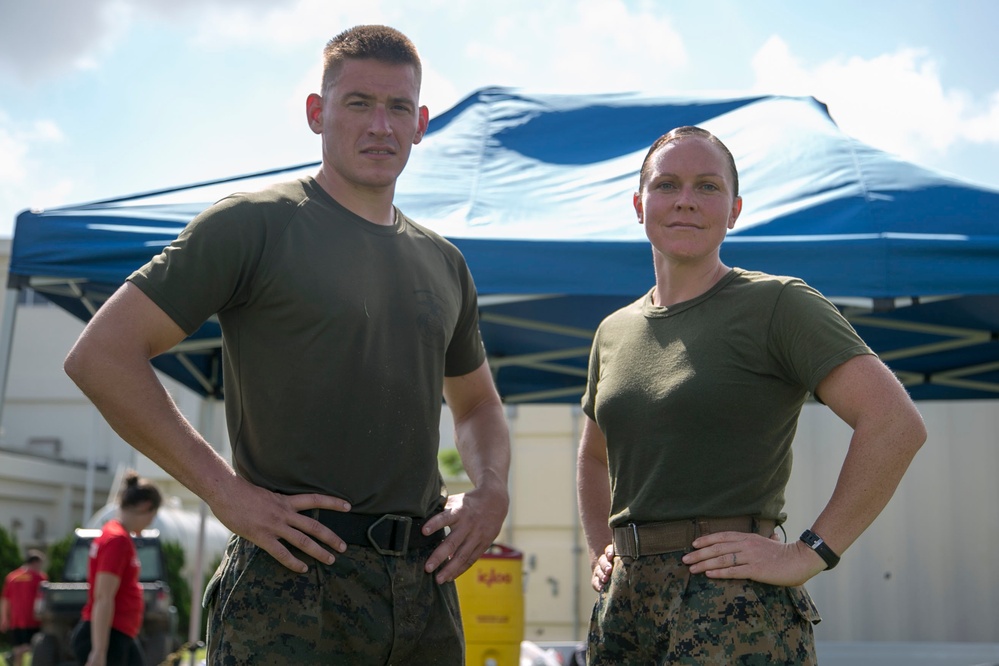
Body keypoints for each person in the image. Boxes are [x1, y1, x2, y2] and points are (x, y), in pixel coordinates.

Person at [63, 24, 510, 665]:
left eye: (398, 107)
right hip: (291, 584)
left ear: (421, 123)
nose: (380, 125)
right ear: (316, 113)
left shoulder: (443, 263)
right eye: (358, 103)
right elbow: (102, 355)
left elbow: (478, 407)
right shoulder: (253, 225)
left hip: (423, 591)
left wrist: (491, 490)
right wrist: (222, 491)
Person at [576, 126, 926, 664]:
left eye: (707, 186)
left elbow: (895, 423)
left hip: (730, 604)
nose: (686, 200)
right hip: (624, 609)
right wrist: (602, 545)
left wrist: (809, 553)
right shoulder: (613, 331)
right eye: (667, 184)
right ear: (638, 205)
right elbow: (594, 456)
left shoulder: (778, 304)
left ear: (735, 209)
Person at [71, 473, 162, 666]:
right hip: (108, 635)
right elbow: (103, 596)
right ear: (146, 507)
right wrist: (99, 651)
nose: (150, 523)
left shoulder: (116, 534)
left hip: (117, 632)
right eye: (152, 516)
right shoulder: (117, 540)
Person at [1, 550, 48, 666]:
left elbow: (5, 600)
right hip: (33, 619)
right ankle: (13, 654)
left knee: (19, 650)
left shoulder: (12, 577)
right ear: (35, 562)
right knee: (35, 647)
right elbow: (44, 599)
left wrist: (3, 618)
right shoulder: (40, 578)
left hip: (15, 620)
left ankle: (13, 655)